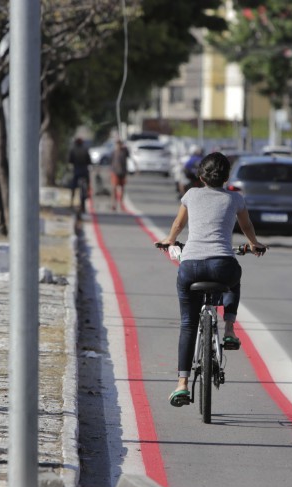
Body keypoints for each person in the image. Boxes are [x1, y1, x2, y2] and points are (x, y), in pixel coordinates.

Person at [155, 151, 267, 408]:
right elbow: (247, 227)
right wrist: (254, 243)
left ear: (200, 176)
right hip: (222, 267)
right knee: (234, 277)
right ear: (227, 176)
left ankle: (182, 384)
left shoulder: (191, 195)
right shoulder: (235, 198)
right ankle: (228, 328)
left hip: (191, 268)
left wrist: (169, 241)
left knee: (187, 324)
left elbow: (177, 224)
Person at [68, 137, 92, 213]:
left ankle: (71, 202)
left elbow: (70, 161)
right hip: (84, 170)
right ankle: (85, 200)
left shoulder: (73, 150)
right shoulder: (85, 150)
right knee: (86, 185)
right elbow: (89, 161)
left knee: (73, 186)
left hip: (76, 170)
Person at [110, 139, 131, 211]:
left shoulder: (124, 151)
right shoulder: (114, 152)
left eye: (119, 144)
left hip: (123, 172)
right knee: (114, 188)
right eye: (117, 144)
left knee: (122, 188)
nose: (118, 145)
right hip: (115, 172)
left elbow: (129, 156)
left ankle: (121, 203)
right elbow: (111, 162)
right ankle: (114, 204)